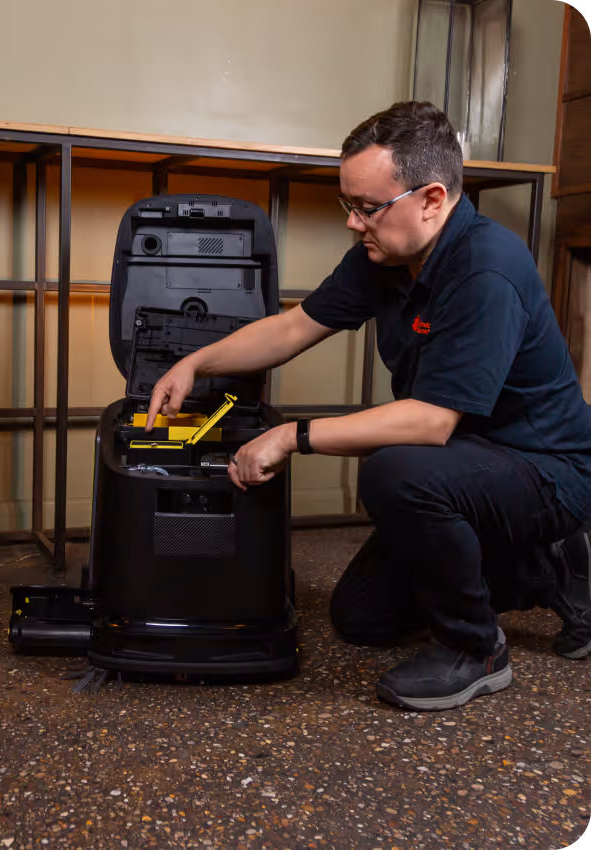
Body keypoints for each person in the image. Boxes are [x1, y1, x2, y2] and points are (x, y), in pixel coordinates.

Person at [145, 101, 591, 712]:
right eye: (347, 206)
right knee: (361, 616)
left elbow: (430, 422)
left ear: (432, 198)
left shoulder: (488, 270)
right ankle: (543, 568)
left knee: (394, 469)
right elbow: (296, 327)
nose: (353, 224)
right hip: (470, 461)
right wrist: (197, 362)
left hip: (545, 469)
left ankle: (477, 648)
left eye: (366, 208)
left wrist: (291, 436)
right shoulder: (386, 255)